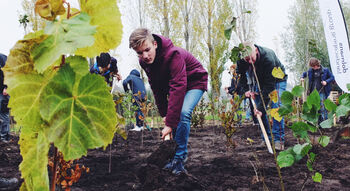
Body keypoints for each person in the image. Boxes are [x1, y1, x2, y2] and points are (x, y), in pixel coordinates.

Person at [129, 28, 208, 175]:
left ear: (155, 44)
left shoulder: (173, 55)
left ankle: (179, 160)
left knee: (183, 113)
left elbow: (179, 87)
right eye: (140, 53)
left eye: (147, 50)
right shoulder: (144, 62)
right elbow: (156, 87)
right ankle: (173, 159)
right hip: (177, 84)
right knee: (173, 117)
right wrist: (165, 114)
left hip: (195, 82)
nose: (145, 56)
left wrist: (170, 123)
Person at [236, 43, 288, 151]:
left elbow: (270, 85)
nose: (250, 62)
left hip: (276, 81)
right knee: (258, 111)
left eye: (252, 59)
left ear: (255, 50)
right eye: (247, 60)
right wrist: (246, 90)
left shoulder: (268, 57)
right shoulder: (241, 58)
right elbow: (241, 76)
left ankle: (278, 140)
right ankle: (266, 139)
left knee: (276, 107)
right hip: (258, 82)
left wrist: (261, 107)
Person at [301, 57, 334, 123]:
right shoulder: (310, 71)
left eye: (314, 66)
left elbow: (332, 77)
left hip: (322, 91)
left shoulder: (325, 70)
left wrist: (326, 82)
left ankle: (325, 122)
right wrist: (302, 77)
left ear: (317, 64)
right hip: (313, 93)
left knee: (322, 107)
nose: (313, 68)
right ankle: (318, 123)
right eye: (312, 66)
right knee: (315, 108)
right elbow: (304, 74)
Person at [0, 53, 10, 143]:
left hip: (4, 92)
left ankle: (4, 137)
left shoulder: (3, 58)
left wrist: (7, 87)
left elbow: (10, 73)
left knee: (3, 113)